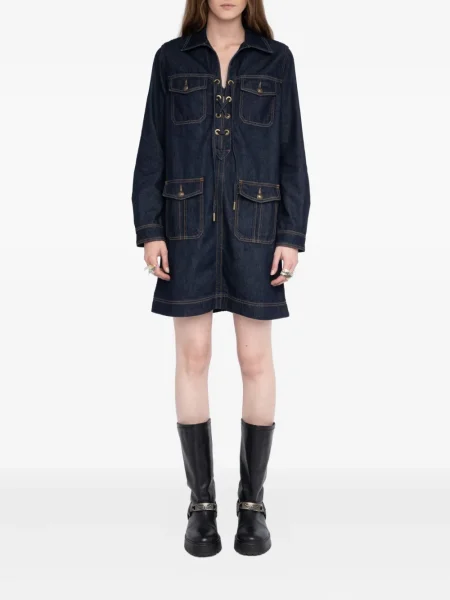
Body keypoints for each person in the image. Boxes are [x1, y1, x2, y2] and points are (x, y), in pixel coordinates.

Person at [131, 0, 310, 557]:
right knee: (194, 356)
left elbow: (292, 152)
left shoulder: (276, 60)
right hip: (185, 226)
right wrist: (150, 228)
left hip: (257, 226)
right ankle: (201, 505)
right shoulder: (171, 59)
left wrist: (291, 234)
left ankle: (251, 505)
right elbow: (152, 148)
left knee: (255, 359)